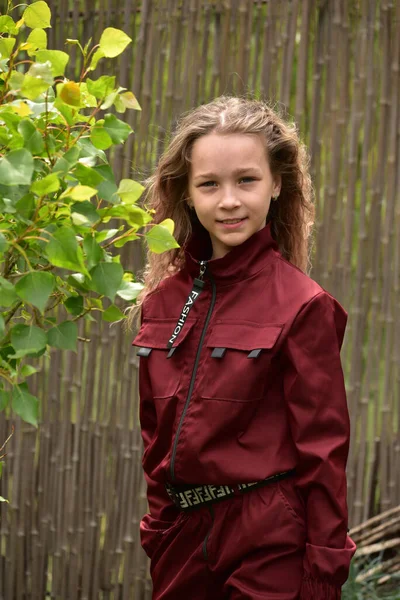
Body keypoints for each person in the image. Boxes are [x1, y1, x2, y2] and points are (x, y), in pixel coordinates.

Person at [131, 96, 357, 600]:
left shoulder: (303, 305)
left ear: (276, 184)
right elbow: (154, 433)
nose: (229, 200)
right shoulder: (161, 304)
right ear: (186, 194)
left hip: (270, 538)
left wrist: (325, 563)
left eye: (246, 180)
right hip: (183, 541)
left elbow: (324, 448)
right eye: (209, 184)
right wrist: (159, 527)